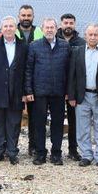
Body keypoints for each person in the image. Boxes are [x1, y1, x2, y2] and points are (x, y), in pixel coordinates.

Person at [67, 23, 98, 169]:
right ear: (85, 36)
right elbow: (72, 76)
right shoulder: (77, 52)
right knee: (83, 128)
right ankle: (86, 155)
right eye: (90, 34)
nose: (93, 37)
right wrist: (71, 96)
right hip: (82, 96)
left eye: (95, 34)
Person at [0, 16, 29, 164]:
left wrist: (25, 92)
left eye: (11, 26)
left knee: (14, 123)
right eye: (5, 26)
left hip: (16, 92)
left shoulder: (23, 46)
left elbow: (26, 71)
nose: (8, 29)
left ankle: (12, 151)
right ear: (1, 29)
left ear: (16, 28)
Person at [25, 18, 70, 165]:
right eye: (47, 27)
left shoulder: (65, 46)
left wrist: (68, 90)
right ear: (42, 29)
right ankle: (40, 153)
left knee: (57, 124)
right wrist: (28, 90)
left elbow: (69, 71)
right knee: (39, 124)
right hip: (39, 92)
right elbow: (28, 70)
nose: (49, 30)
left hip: (58, 92)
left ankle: (56, 153)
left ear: (57, 29)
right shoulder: (34, 46)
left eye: (52, 27)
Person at [16, 4, 44, 157]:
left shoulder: (40, 31)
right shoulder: (11, 31)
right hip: (16, 79)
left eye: (29, 15)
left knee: (35, 117)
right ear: (19, 16)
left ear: (33, 16)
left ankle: (33, 146)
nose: (26, 18)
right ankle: (10, 146)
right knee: (13, 115)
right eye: (23, 15)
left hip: (35, 81)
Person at [59, 13, 86, 161]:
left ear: (74, 24)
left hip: (74, 88)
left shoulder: (81, 42)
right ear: (61, 24)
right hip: (56, 86)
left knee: (74, 120)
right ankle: (54, 149)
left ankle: (73, 149)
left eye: (71, 23)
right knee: (56, 120)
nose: (68, 25)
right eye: (65, 23)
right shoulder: (54, 40)